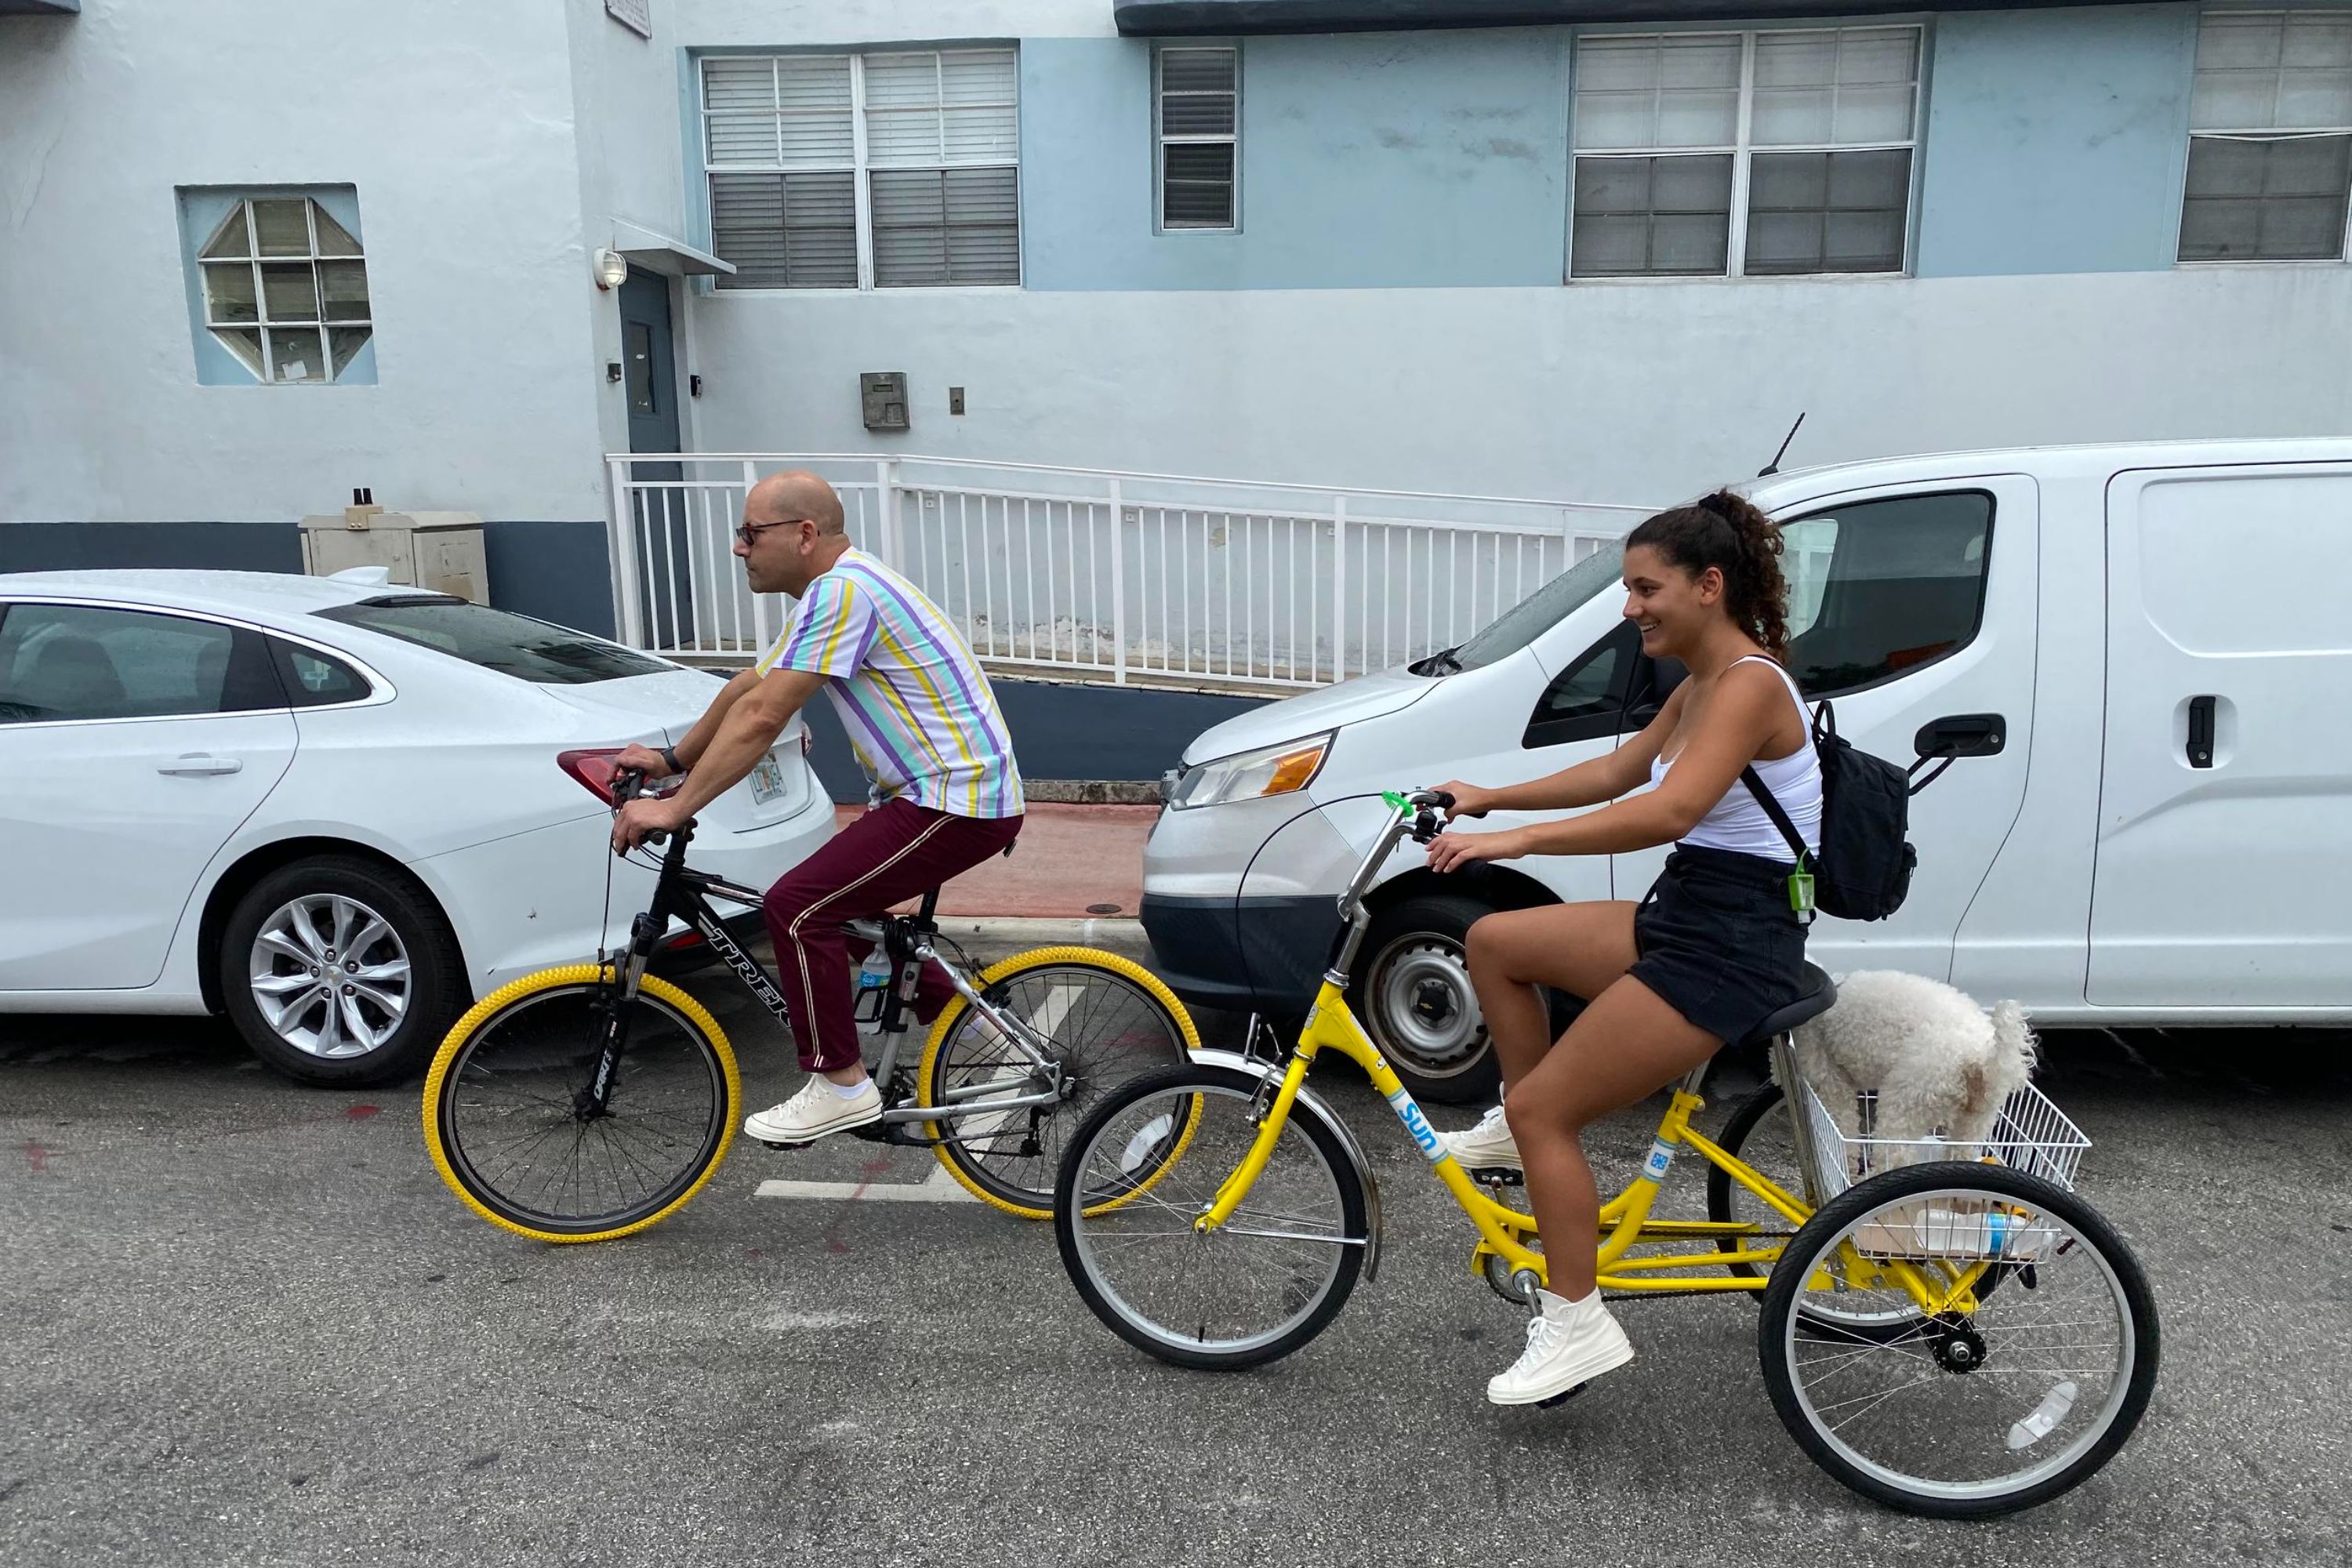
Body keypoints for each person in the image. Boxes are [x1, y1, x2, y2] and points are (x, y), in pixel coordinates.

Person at [1423, 488, 1820, 1407]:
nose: (1629, 606)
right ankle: (1526, 1133)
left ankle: (1576, 1320)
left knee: (1549, 1114)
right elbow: (1619, 770)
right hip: (1688, 914)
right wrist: (1491, 795)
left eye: (1646, 588)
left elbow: (1669, 809)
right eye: (1628, 588)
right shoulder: (1701, 684)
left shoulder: (1752, 685)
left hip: (1730, 945)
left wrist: (1508, 845)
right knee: (1495, 941)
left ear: (1709, 586)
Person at [610, 470, 1025, 1147]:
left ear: (804, 535)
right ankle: (987, 1031)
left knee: (796, 907)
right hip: (940, 796)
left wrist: (675, 806)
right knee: (858, 920)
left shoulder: (845, 593)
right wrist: (672, 763)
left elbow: (765, 717)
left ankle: (840, 1085)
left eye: (750, 533)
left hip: (956, 800)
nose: (739, 548)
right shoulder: (836, 591)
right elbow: (751, 687)